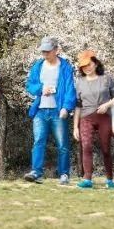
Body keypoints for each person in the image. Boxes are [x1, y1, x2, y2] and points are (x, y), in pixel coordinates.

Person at [23, 37, 77, 185]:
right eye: (43, 51)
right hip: (40, 110)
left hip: (58, 110)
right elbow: (30, 85)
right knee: (38, 141)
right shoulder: (38, 66)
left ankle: (64, 174)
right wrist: (41, 89)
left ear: (55, 50)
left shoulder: (65, 67)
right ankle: (36, 172)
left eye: (47, 51)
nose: (45, 53)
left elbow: (70, 89)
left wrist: (66, 107)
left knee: (62, 144)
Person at [71, 49, 114, 190]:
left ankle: (110, 179)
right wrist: (75, 127)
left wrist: (107, 104)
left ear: (96, 63)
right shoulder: (79, 82)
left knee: (105, 149)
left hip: (104, 117)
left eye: (89, 64)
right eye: (83, 66)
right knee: (86, 146)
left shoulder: (106, 79)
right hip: (86, 118)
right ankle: (87, 179)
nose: (87, 68)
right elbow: (78, 106)